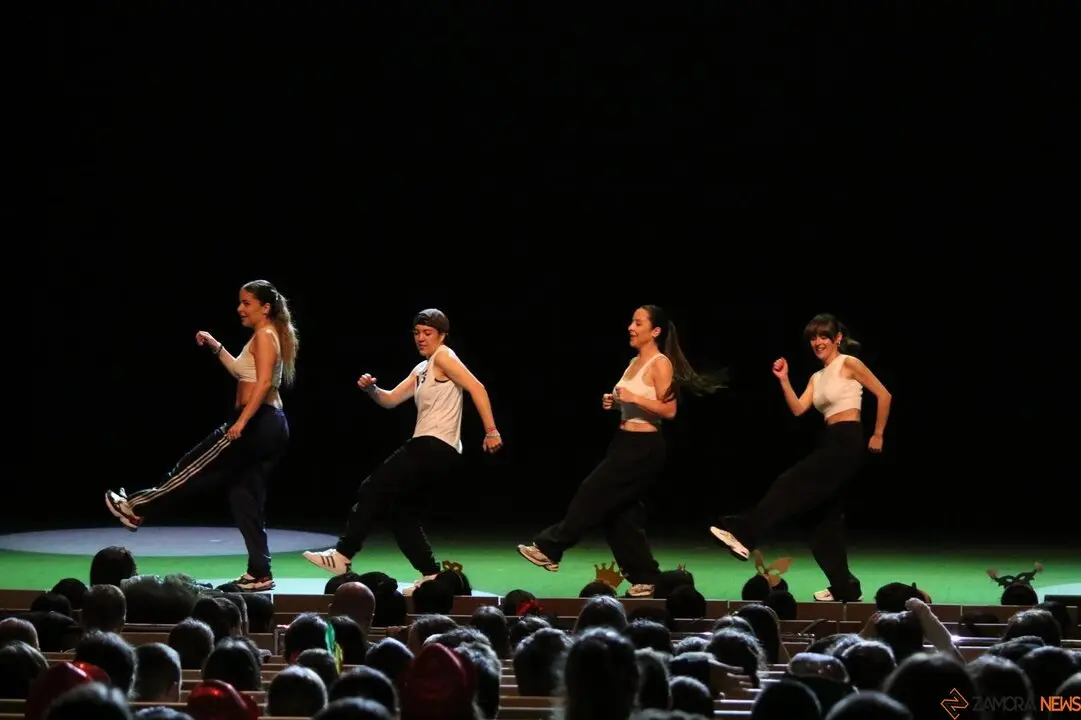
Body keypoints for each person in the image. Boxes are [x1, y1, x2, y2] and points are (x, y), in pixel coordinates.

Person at [517, 305, 726, 598]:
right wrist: (616, 404)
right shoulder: (633, 362)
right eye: (631, 321)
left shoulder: (660, 363)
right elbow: (634, 402)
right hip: (624, 441)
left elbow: (669, 410)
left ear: (655, 331)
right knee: (620, 515)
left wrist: (634, 398)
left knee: (592, 491)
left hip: (644, 447)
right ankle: (647, 578)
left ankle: (550, 548)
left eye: (638, 323)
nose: (631, 327)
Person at [104, 280, 297, 592]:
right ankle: (260, 573)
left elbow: (262, 384)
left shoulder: (265, 335)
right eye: (240, 302)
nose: (240, 308)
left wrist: (242, 421)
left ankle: (135, 507)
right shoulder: (266, 335)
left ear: (265, 307)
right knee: (244, 497)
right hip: (270, 424)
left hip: (257, 421)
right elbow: (241, 371)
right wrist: (215, 345)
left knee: (192, 466)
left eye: (246, 303)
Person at [303, 309, 503, 593]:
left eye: (428, 333)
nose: (421, 338)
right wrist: (372, 390)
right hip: (437, 450)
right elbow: (391, 400)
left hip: (433, 444)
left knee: (373, 487)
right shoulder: (422, 369)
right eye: (417, 333)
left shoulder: (444, 356)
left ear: (442, 335)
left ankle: (343, 554)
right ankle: (431, 575)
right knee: (403, 515)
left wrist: (491, 430)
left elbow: (477, 387)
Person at [710, 313, 892, 603]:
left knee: (789, 483)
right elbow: (798, 409)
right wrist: (784, 380)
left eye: (824, 336)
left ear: (837, 338)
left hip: (847, 441)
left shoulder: (849, 363)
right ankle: (845, 587)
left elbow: (884, 395)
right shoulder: (816, 377)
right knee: (823, 524)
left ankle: (743, 534)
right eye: (813, 338)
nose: (818, 342)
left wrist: (878, 434)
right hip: (831, 439)